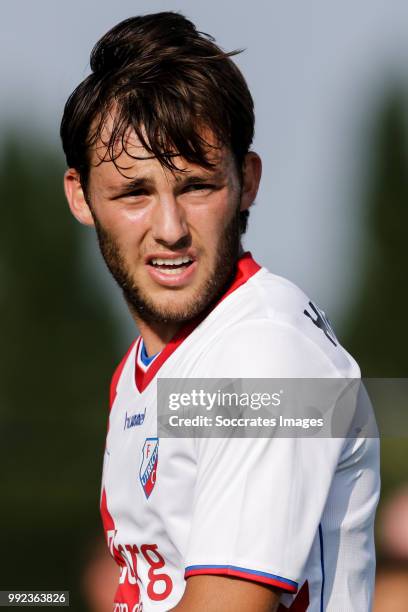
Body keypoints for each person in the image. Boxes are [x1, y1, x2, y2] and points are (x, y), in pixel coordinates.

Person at [61, 12, 380, 611]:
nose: (170, 229)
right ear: (81, 197)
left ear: (247, 181)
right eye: (134, 193)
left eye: (197, 186)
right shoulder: (144, 367)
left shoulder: (266, 354)